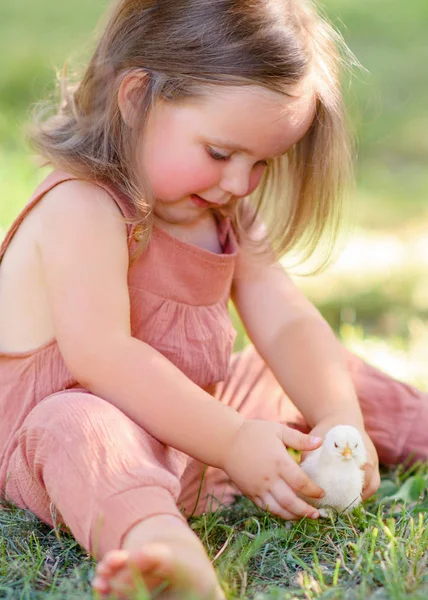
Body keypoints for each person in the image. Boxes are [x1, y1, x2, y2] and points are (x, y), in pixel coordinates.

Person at [0, 0, 426, 598]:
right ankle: (163, 551)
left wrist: (338, 418)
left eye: (261, 163)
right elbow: (103, 357)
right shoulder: (82, 206)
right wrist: (230, 440)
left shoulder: (222, 208)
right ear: (135, 99)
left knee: (314, 376)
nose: (237, 183)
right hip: (76, 435)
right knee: (76, 424)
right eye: (221, 153)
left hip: (194, 429)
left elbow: (286, 322)